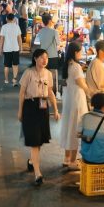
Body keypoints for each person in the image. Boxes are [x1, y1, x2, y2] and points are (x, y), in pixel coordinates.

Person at [17, 48, 59, 186]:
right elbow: (22, 92)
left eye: (46, 57)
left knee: (39, 140)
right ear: (35, 58)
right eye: (41, 57)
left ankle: (31, 161)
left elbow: (50, 92)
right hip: (30, 106)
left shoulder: (48, 74)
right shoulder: (29, 73)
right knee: (35, 141)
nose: (44, 60)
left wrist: (56, 109)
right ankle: (37, 173)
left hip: (43, 107)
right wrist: (20, 111)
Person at [59, 42, 91, 168]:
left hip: (68, 99)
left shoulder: (67, 64)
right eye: (80, 52)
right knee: (75, 129)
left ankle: (66, 158)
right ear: (75, 52)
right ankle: (73, 161)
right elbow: (81, 84)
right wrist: (91, 93)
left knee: (68, 127)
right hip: (77, 99)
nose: (81, 54)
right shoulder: (76, 67)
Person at [36, 16, 61, 91]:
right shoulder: (54, 32)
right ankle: (53, 92)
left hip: (43, 56)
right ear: (50, 21)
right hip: (53, 56)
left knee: (44, 75)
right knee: (53, 76)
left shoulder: (40, 32)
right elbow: (58, 43)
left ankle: (44, 90)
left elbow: (38, 43)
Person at [0, 13, 23, 87]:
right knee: (15, 65)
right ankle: (14, 80)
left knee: (6, 65)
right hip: (15, 48)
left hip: (7, 48)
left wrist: (0, 48)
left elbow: (2, 39)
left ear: (7, 19)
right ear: (13, 19)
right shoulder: (17, 27)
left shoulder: (4, 27)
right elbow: (19, 38)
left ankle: (6, 80)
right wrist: (21, 47)